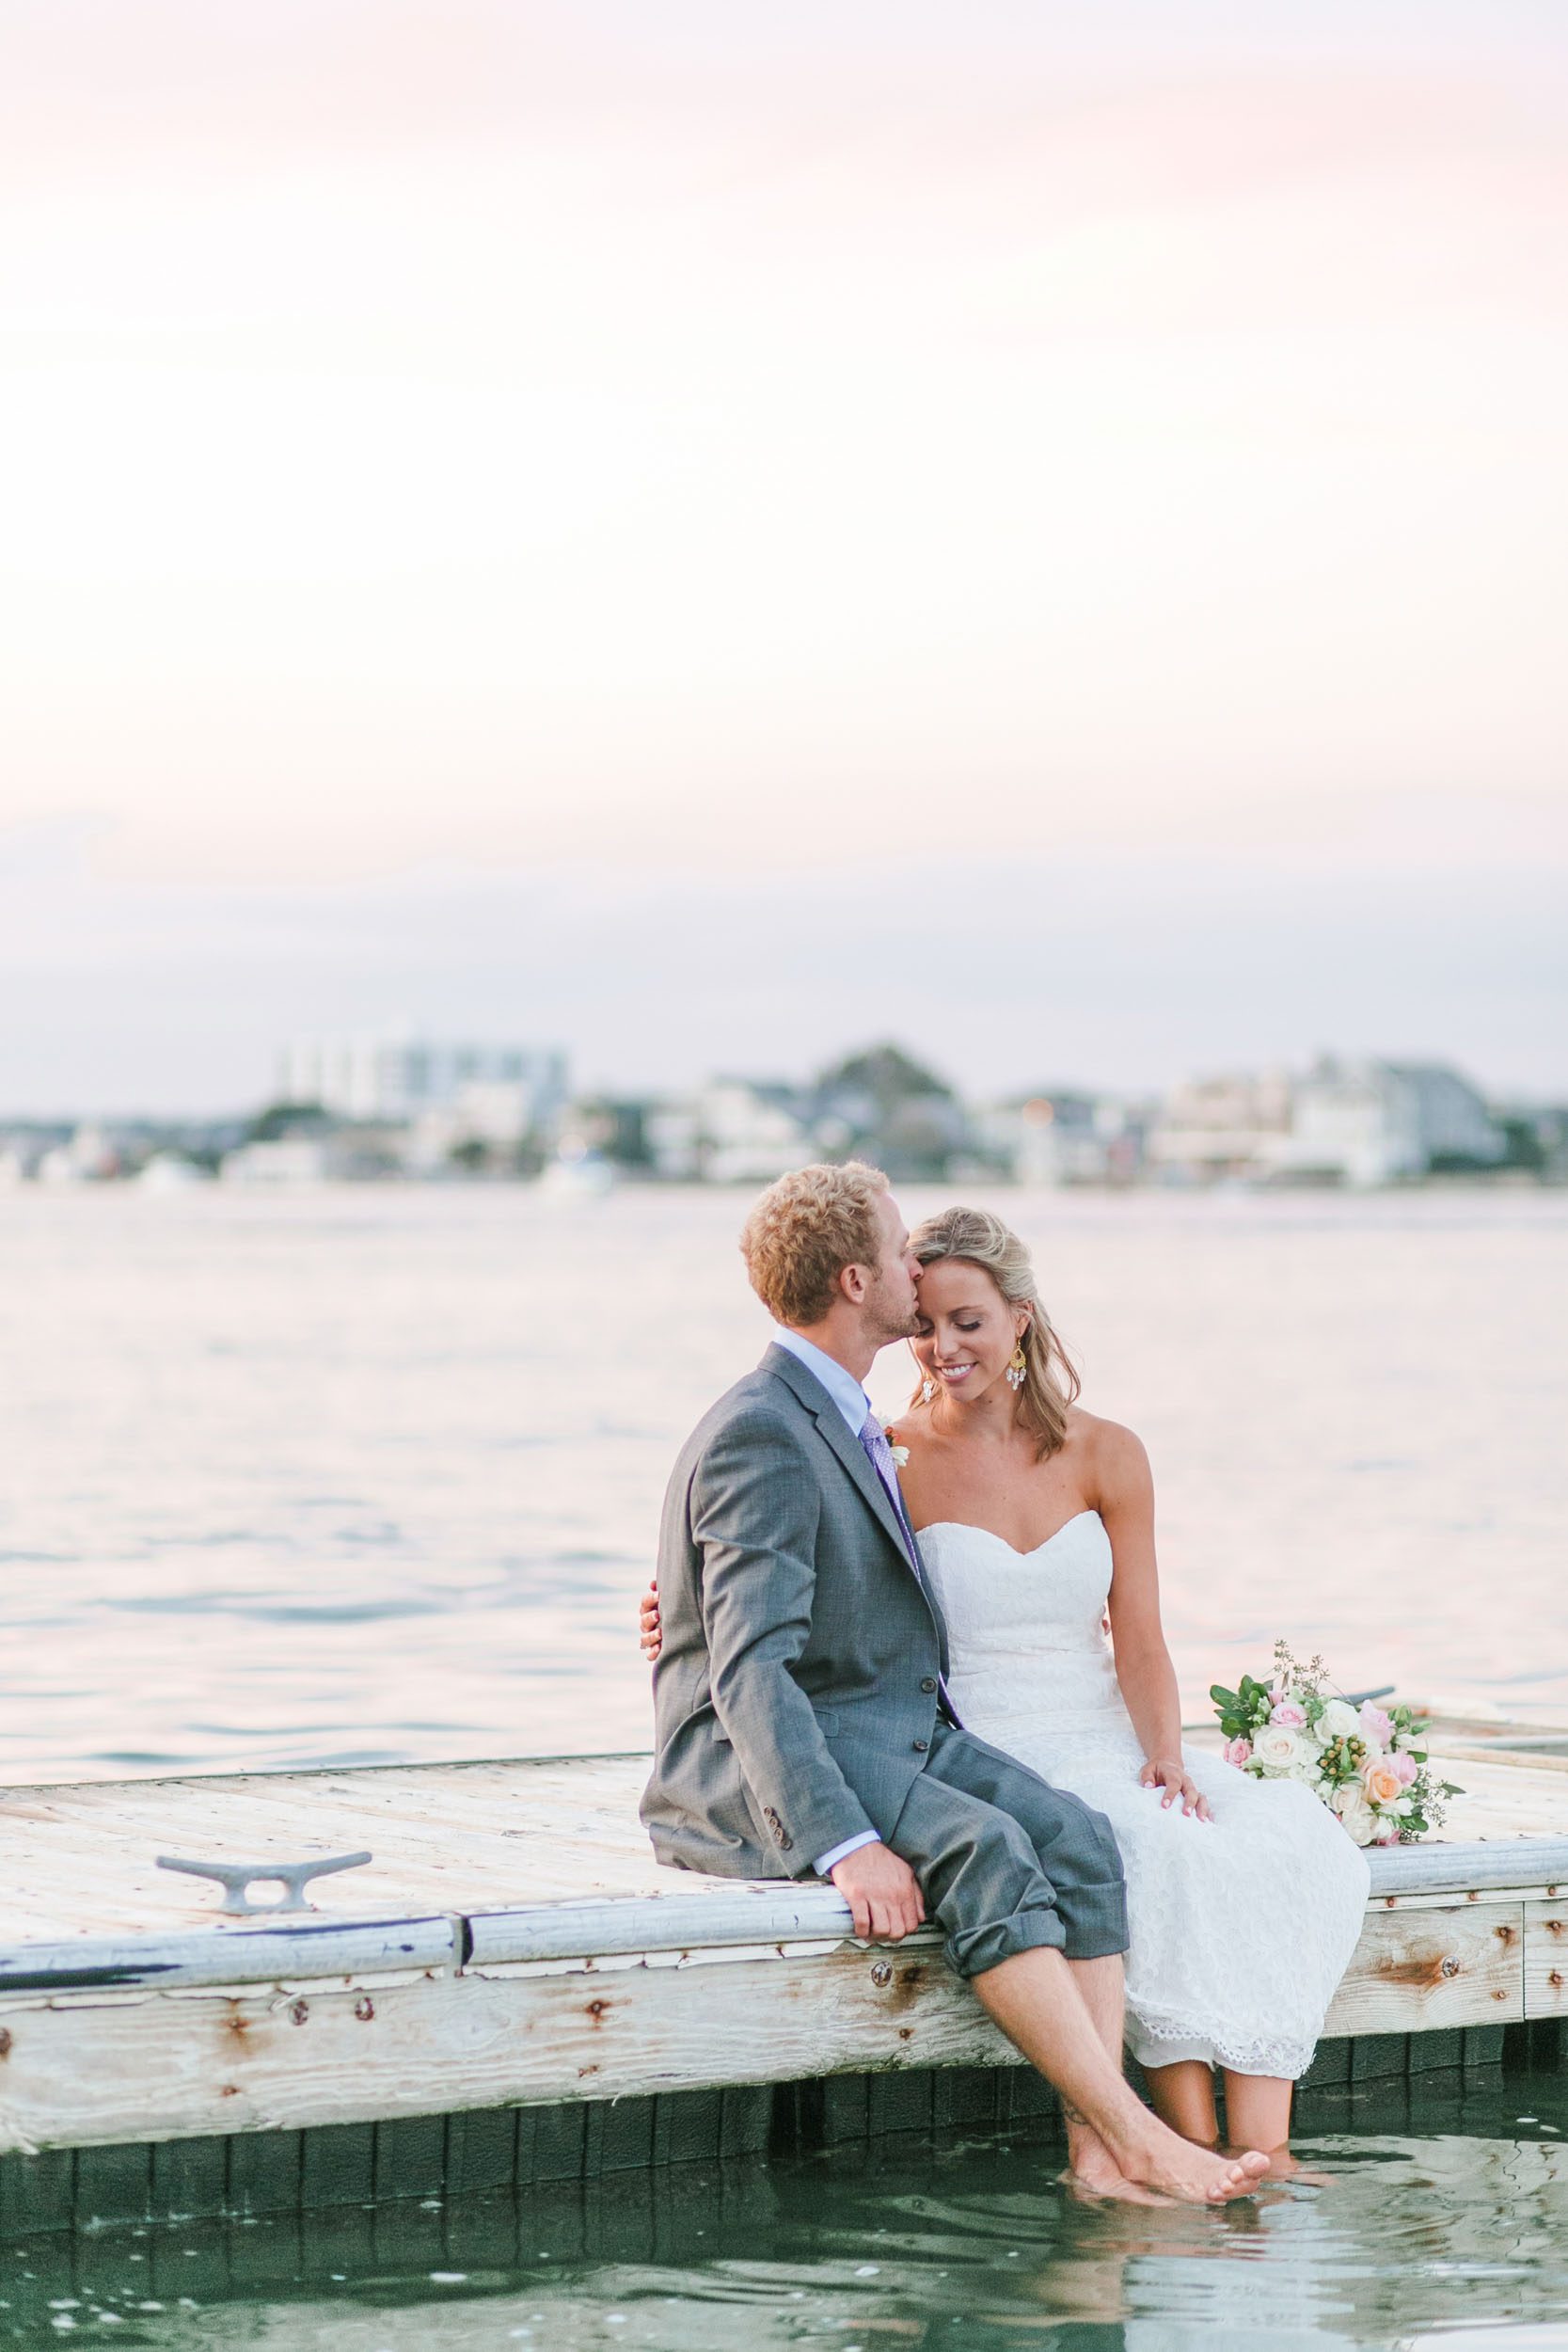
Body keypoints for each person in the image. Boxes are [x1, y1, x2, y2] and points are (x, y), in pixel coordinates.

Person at [642, 1194, 1370, 2177]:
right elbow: (751, 1631)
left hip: (1019, 1719)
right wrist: (841, 1839)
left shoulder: (873, 1426)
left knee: (1188, 1838)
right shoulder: (854, 1440)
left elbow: (1132, 1633)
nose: (936, 1335)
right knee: (1037, 1842)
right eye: (909, 1276)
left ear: (1018, 1317)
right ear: (861, 1283)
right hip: (941, 1724)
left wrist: (1161, 1750)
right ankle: (1146, 2138)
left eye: (965, 1319)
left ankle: (1203, 2148)